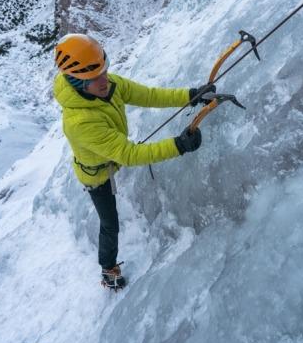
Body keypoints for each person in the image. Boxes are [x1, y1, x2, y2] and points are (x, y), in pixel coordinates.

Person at [53, 33, 213, 290]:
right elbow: (128, 155)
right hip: (96, 175)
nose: (105, 80)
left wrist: (190, 95)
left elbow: (148, 95)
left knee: (111, 217)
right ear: (77, 82)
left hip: (109, 158)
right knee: (110, 223)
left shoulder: (107, 84)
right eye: (96, 78)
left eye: (104, 71)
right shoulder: (79, 122)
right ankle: (107, 268)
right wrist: (178, 146)